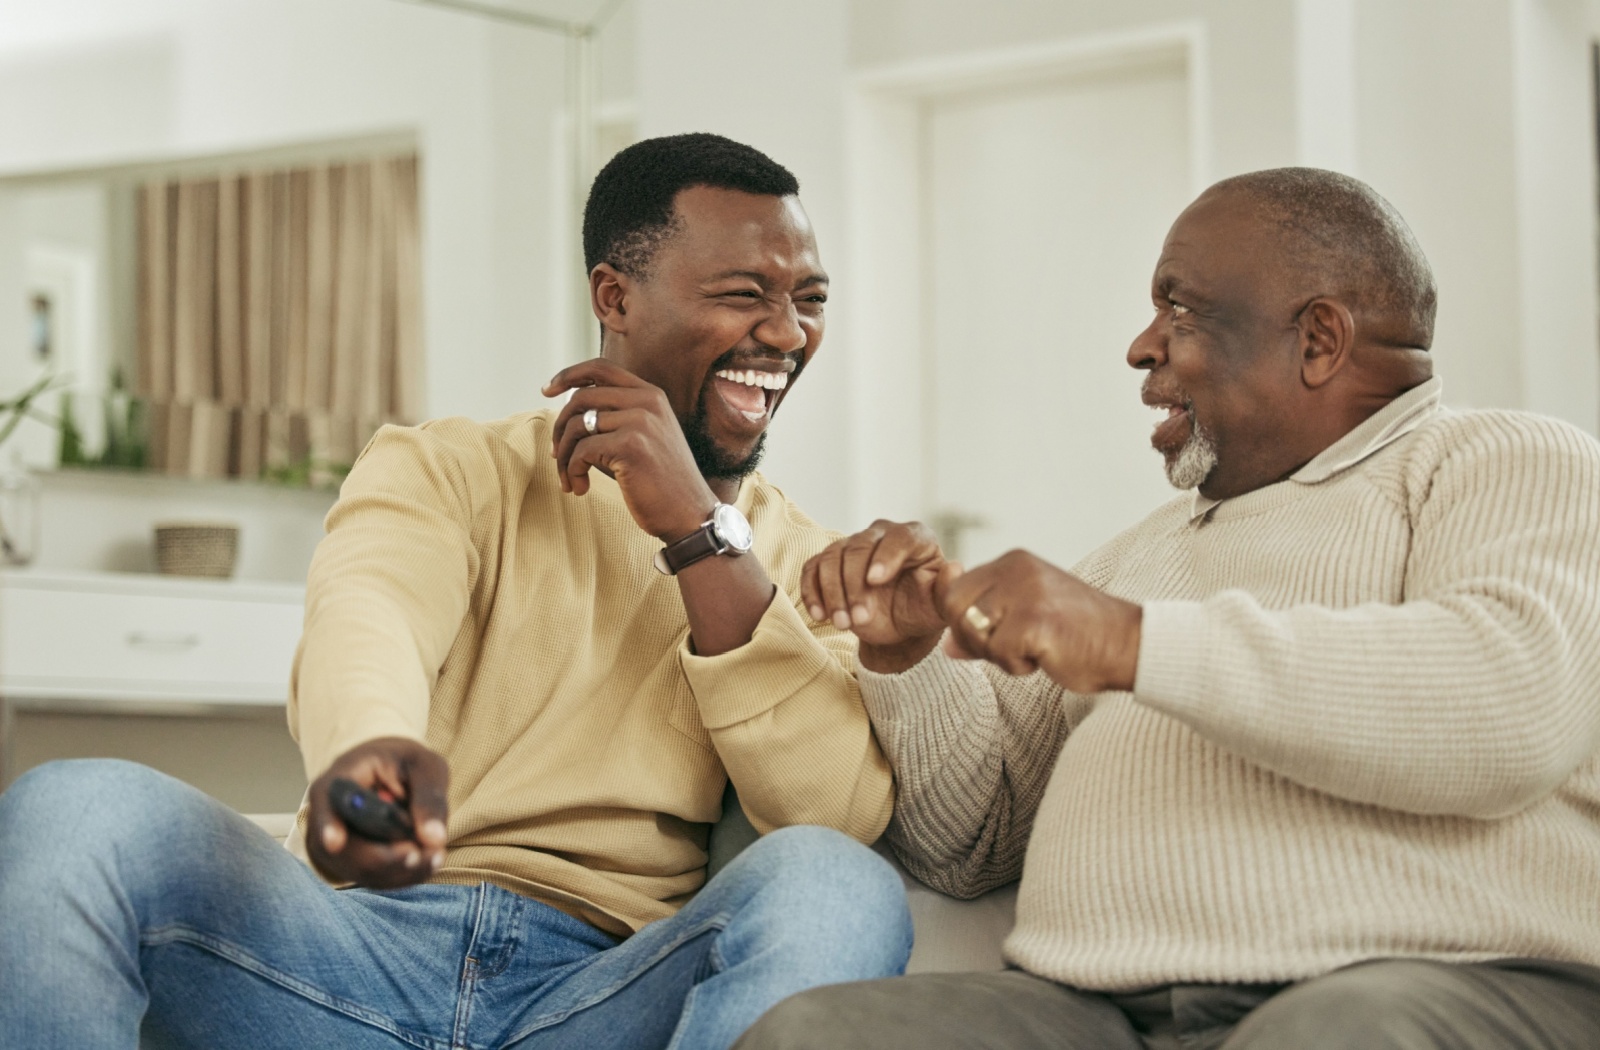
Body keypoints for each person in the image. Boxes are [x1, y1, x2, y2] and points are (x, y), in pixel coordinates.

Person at [0, 133, 910, 1050]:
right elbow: (372, 612)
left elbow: (834, 813)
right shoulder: (451, 469)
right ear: (615, 297)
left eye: (809, 301)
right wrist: (372, 756)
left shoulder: (800, 563)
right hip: (341, 959)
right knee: (74, 807)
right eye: (745, 294)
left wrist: (698, 533)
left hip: (601, 995)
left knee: (837, 881)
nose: (789, 334)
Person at [740, 168, 1600, 1050]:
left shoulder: (1505, 461)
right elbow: (977, 841)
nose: (1142, 347)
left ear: (1320, 340)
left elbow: (1508, 708)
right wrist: (907, 657)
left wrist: (1129, 641)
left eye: (1180, 311)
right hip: (1096, 1014)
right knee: (814, 1035)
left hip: (1435, 981)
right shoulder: (1141, 551)